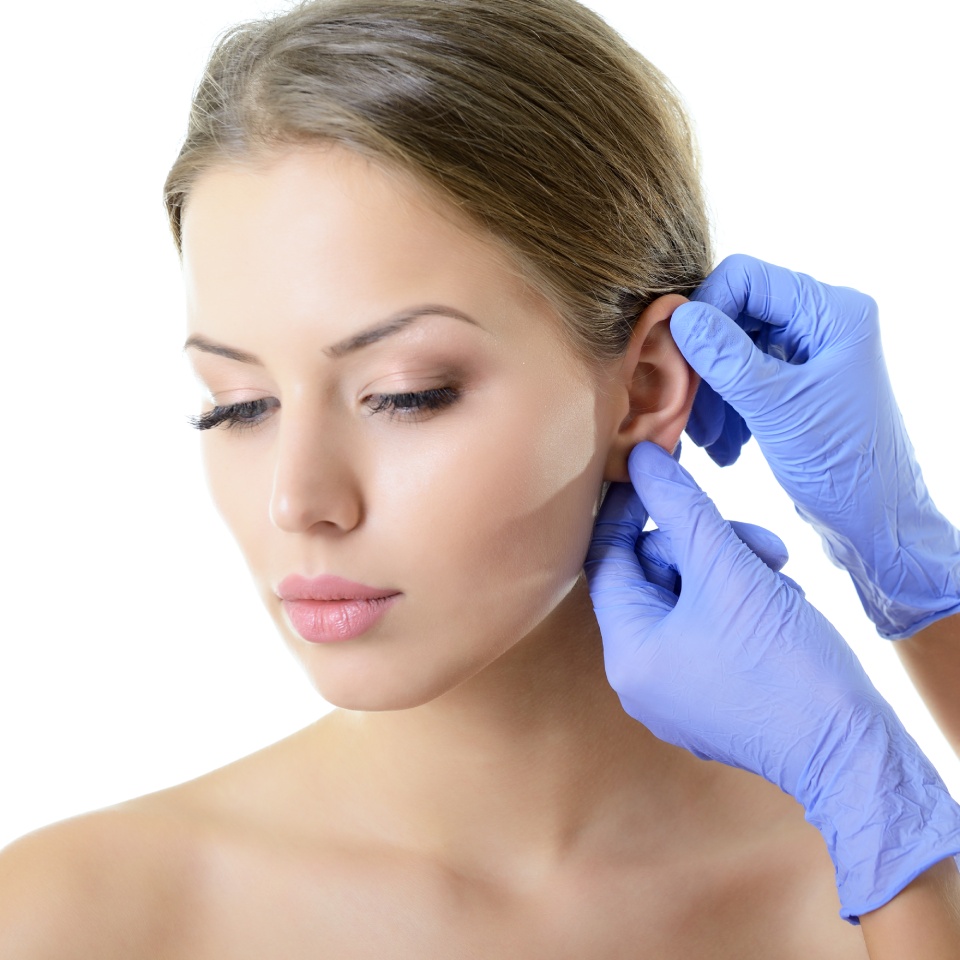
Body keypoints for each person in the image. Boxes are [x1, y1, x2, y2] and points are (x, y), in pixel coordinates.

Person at [0, 1, 957, 957]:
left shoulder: (889, 887)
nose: (298, 501)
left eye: (407, 395)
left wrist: (901, 640)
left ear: (647, 387)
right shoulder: (68, 919)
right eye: (238, 405)